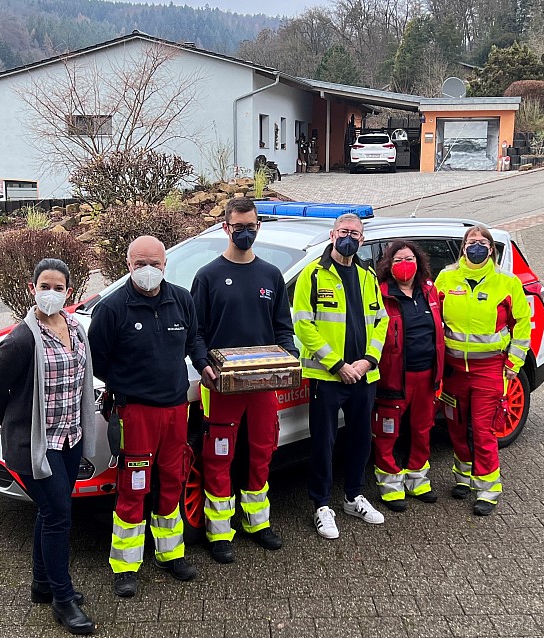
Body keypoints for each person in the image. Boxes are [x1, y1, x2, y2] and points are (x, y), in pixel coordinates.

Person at [0, 258, 97, 635]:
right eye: (44, 286)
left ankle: (41, 585)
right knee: (59, 516)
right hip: (38, 445)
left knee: (49, 513)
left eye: (59, 287)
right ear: (32, 289)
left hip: (70, 440)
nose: (51, 293)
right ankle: (62, 599)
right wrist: (16, 423)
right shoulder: (20, 339)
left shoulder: (76, 329)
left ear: (69, 291)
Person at [88, 236, 199, 598]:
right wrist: (129, 385)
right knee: (134, 488)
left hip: (175, 411)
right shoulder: (112, 308)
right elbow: (98, 360)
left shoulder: (181, 300)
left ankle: (171, 554)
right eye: (139, 264)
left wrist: (204, 366)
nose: (147, 270)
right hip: (136, 413)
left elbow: (192, 342)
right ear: (128, 264)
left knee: (173, 482)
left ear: (165, 264)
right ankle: (125, 565)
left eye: (154, 263)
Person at [190, 197, 298, 563]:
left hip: (263, 386)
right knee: (219, 456)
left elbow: (283, 328)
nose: (245, 233)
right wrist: (202, 363)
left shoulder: (271, 276)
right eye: (239, 227)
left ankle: (257, 523)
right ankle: (219, 533)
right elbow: (197, 332)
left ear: (258, 226)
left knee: (262, 453)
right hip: (223, 387)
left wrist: (289, 356)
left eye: (251, 226)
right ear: (226, 227)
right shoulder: (207, 276)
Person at [293, 212, 389, 539]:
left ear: (362, 240)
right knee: (323, 442)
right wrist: (337, 364)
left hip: (364, 376)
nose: (350, 237)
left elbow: (382, 321)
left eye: (356, 233)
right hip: (328, 376)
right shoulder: (314, 274)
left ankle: (354, 496)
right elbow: (303, 324)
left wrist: (368, 360)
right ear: (333, 234)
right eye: (344, 231)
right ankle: (321, 504)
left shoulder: (367, 275)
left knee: (361, 439)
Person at [434, 226, 532, 516]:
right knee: (455, 425)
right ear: (463, 248)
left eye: (481, 243)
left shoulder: (506, 282)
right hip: (453, 370)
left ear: (491, 249)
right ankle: (463, 478)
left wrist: (514, 363)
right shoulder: (446, 278)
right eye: (470, 242)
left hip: (489, 369)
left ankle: (488, 489)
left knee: (482, 430)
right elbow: (434, 318)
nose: (475, 247)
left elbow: (522, 324)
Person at [372, 241, 445, 512]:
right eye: (398, 259)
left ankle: (418, 480)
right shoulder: (381, 293)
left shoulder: (429, 291)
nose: (405, 264)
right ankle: (390, 487)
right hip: (393, 378)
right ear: (389, 265)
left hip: (426, 375)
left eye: (410, 258)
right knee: (387, 433)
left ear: (419, 262)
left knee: (422, 429)